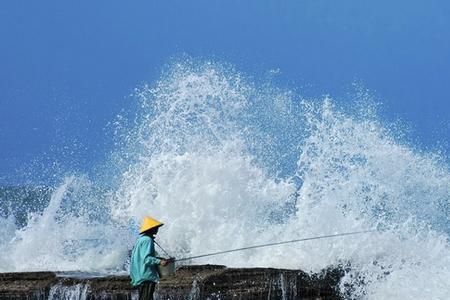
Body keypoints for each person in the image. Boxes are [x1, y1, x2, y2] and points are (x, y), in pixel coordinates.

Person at [130, 216, 170, 300]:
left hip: (139, 275)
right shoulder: (148, 240)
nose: (157, 229)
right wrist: (160, 262)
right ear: (151, 228)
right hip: (146, 277)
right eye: (156, 227)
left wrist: (158, 259)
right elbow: (146, 259)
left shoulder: (141, 239)